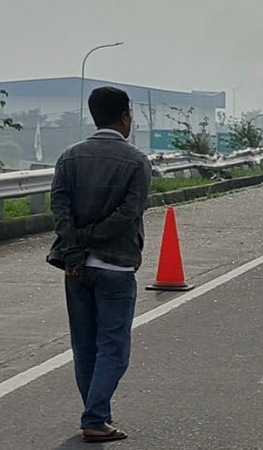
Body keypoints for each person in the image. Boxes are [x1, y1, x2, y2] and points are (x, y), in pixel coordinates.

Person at [47, 86, 151, 442]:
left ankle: (96, 413)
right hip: (116, 267)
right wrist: (92, 237)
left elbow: (59, 210)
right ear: (125, 117)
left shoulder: (68, 158)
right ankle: (94, 417)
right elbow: (128, 213)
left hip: (75, 268)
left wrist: (75, 247)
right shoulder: (136, 161)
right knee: (114, 348)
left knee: (84, 345)